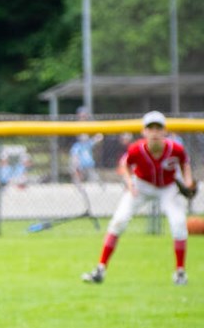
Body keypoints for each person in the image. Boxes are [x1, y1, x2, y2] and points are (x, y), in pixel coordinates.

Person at [82, 111, 196, 286]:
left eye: (158, 128)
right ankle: (100, 269)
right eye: (151, 128)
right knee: (119, 220)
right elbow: (125, 164)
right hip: (141, 185)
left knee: (178, 223)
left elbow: (185, 162)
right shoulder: (136, 149)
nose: (155, 132)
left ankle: (180, 273)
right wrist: (129, 183)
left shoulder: (176, 149)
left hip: (167, 187)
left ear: (165, 131)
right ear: (144, 132)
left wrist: (188, 181)